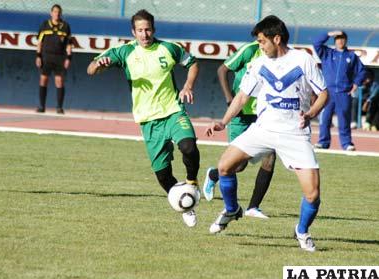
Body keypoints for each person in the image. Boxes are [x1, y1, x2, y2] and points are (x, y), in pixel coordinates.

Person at [205, 15, 328, 252]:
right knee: (224, 167)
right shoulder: (260, 63)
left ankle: (301, 231)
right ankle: (232, 210)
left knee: (312, 194)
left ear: (277, 39)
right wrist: (223, 122)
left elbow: (323, 93)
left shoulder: (303, 60)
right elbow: (242, 96)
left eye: (262, 41)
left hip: (295, 134)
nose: (260, 46)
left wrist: (310, 113)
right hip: (263, 130)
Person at [87, 9, 200, 227]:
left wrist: (187, 86)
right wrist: (99, 66)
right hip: (148, 120)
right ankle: (185, 204)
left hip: (173, 111)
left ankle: (192, 182)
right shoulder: (123, 51)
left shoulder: (169, 48)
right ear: (133, 32)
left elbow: (193, 63)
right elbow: (91, 69)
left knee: (188, 146)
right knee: (163, 176)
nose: (144, 34)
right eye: (140, 30)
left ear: (153, 30)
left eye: (148, 29)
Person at [203, 41, 276, 219]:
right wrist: (229, 97)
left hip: (263, 115)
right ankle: (214, 174)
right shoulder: (250, 50)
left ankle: (253, 207)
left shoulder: (279, 56)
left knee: (270, 158)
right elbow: (222, 70)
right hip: (241, 113)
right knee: (239, 165)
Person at [313, 30, 365, 151]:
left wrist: (356, 84)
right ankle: (323, 142)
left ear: (346, 40)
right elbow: (316, 43)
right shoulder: (327, 53)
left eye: (342, 38)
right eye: (337, 39)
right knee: (325, 119)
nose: (340, 41)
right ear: (334, 41)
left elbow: (362, 71)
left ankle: (347, 144)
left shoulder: (351, 56)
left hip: (343, 93)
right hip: (328, 93)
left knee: (344, 120)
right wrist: (328, 34)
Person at [35, 4, 72, 114]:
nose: (57, 14)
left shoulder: (65, 26)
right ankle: (42, 106)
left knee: (59, 81)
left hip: (60, 57)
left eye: (59, 12)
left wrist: (68, 58)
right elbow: (39, 42)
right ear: (51, 13)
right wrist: (38, 56)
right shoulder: (45, 25)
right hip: (46, 56)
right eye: (55, 11)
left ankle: (59, 107)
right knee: (43, 79)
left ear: (61, 13)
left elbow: (69, 44)